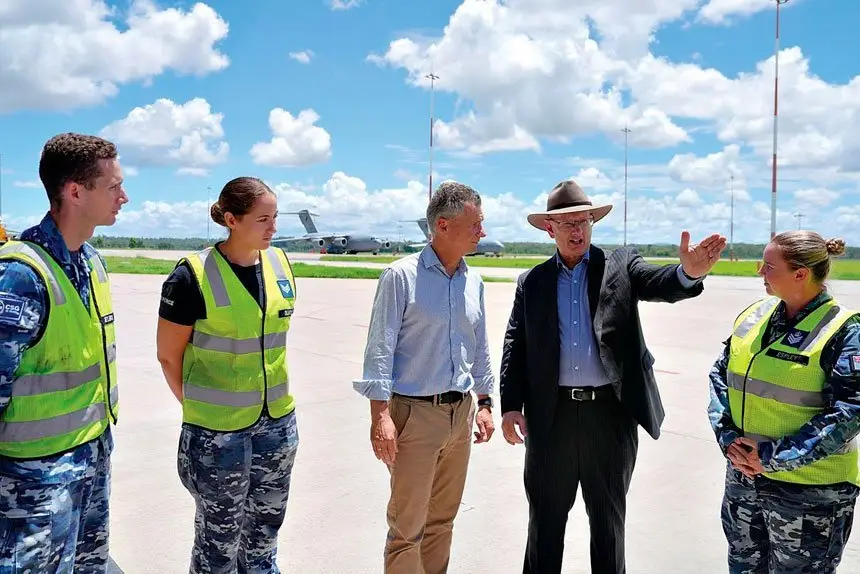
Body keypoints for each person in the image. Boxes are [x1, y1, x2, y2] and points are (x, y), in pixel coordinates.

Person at [498, 179, 727, 574]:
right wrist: (509, 406)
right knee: (544, 526)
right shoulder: (532, 282)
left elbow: (659, 282)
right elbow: (515, 345)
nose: (576, 231)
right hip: (550, 420)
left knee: (608, 526)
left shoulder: (620, 266)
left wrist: (687, 274)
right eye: (567, 223)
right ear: (549, 229)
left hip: (609, 416)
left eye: (583, 221)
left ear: (592, 223)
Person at [156, 176, 300, 573]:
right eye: (263, 219)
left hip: (276, 428)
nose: (273, 228)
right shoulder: (192, 275)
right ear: (232, 220)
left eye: (275, 217)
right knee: (218, 542)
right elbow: (169, 356)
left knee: (264, 535)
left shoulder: (280, 264)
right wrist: (201, 408)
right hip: (217, 437)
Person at [0, 133, 128, 572]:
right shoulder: (20, 276)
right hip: (31, 489)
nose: (123, 197)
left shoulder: (92, 263)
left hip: (89, 464)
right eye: (113, 187)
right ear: (75, 191)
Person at [353, 181, 496, 574]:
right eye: (476, 224)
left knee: (442, 522)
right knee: (407, 529)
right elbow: (379, 350)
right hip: (414, 416)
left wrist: (484, 404)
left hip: (460, 415)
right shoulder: (401, 276)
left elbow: (479, 347)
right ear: (444, 226)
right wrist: (379, 415)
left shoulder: (474, 281)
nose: (482, 232)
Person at [709, 230, 860, 573]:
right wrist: (728, 439)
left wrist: (772, 458)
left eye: (768, 265)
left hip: (809, 494)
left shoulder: (843, 330)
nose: (760, 271)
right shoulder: (755, 315)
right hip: (745, 481)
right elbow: (720, 376)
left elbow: (850, 411)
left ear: (801, 274)